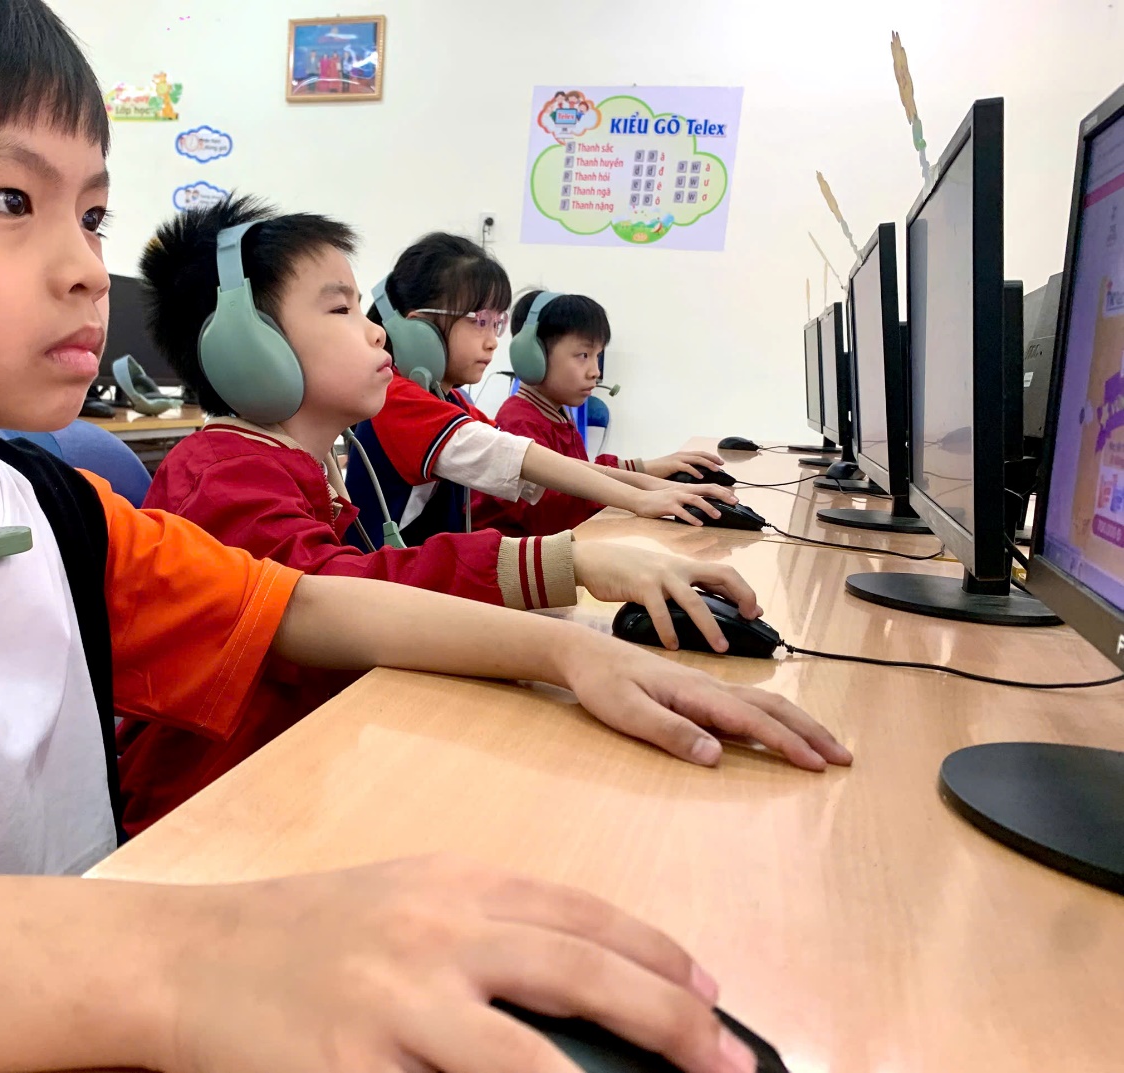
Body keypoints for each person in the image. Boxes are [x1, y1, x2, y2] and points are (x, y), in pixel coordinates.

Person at [0, 3, 848, 1069]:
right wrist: (198, 953)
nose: (85, 266)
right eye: (10, 201)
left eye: (93, 213)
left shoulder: (51, 508)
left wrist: (569, 648)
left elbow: (294, 602)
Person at [130, 195, 811, 825]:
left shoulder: (302, 464)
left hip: (301, 773)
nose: (376, 335)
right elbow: (331, 598)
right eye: (342, 311)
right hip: (214, 809)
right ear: (247, 347)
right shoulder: (218, 473)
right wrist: (570, 567)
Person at [346, 233, 735, 548]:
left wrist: (651, 484)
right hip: (383, 596)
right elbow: (518, 458)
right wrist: (639, 496)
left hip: (424, 589)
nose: (492, 341)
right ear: (417, 327)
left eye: (497, 324)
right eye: (480, 321)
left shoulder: (450, 400)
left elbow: (541, 463)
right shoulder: (395, 398)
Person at [475, 289, 722, 536]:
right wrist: (637, 495)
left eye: (597, 356)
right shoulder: (520, 422)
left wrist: (649, 470)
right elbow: (551, 516)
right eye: (583, 355)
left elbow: (580, 473)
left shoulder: (556, 413)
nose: (595, 372)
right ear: (532, 356)